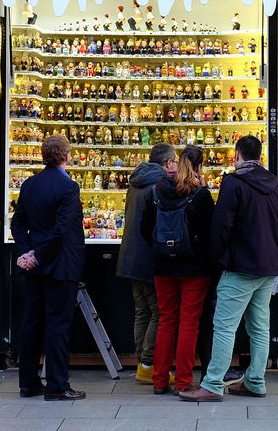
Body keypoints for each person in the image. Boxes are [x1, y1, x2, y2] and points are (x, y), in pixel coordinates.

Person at [179, 136, 278, 402]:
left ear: (237, 155)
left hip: (240, 266)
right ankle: (255, 381)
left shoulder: (234, 183)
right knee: (260, 327)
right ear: (260, 156)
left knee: (225, 326)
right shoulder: (276, 187)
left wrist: (219, 258)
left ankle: (213, 384)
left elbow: (221, 226)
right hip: (269, 267)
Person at [11, 134, 86, 401]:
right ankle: (56, 385)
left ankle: (28, 382)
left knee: (31, 323)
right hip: (60, 264)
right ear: (66, 156)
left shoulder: (30, 185)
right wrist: (38, 255)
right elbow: (61, 229)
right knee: (58, 325)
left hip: (34, 266)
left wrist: (26, 252)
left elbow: (17, 223)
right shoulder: (69, 187)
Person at [141, 145, 215, 394]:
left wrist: (162, 247)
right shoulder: (200, 194)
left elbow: (145, 229)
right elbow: (211, 232)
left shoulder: (157, 191)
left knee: (166, 321)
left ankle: (159, 380)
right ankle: (183, 381)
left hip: (163, 266)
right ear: (199, 167)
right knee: (189, 323)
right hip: (194, 267)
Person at [116, 143, 177, 384]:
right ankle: (149, 363)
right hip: (148, 258)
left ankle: (142, 363)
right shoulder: (158, 185)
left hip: (130, 256)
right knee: (160, 312)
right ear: (168, 162)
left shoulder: (136, 181)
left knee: (142, 311)